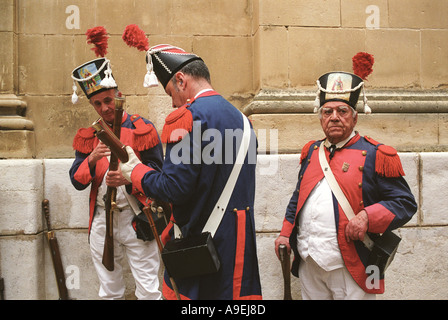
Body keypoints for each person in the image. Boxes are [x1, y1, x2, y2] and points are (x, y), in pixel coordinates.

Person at [119, 29, 263, 300]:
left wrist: (135, 170)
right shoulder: (243, 121)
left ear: (181, 80)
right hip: (238, 243)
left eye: (170, 91)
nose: (172, 101)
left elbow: (173, 188)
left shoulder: (185, 118)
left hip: (201, 243)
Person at [274, 69, 417, 300]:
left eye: (342, 111)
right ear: (321, 117)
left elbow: (404, 203)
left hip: (352, 263)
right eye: (327, 111)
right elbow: (298, 197)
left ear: (354, 117)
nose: (334, 117)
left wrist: (366, 217)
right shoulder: (311, 151)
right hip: (309, 262)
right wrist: (285, 234)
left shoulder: (376, 154)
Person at [69, 26, 164, 300]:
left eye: (108, 100)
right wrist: (92, 158)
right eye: (97, 104)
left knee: (148, 290)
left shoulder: (142, 128)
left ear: (118, 95)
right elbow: (76, 181)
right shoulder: (88, 137)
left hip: (136, 217)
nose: (105, 108)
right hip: (102, 220)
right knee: (109, 292)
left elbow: (160, 175)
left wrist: (129, 178)